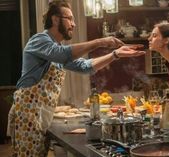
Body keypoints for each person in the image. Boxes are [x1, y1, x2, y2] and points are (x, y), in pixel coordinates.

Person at [7, 1, 145, 157]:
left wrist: (115, 54)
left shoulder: (55, 48)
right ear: (55, 19)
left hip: (41, 116)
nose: (74, 24)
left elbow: (85, 66)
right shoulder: (39, 41)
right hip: (28, 115)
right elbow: (63, 54)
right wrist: (100, 42)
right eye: (69, 19)